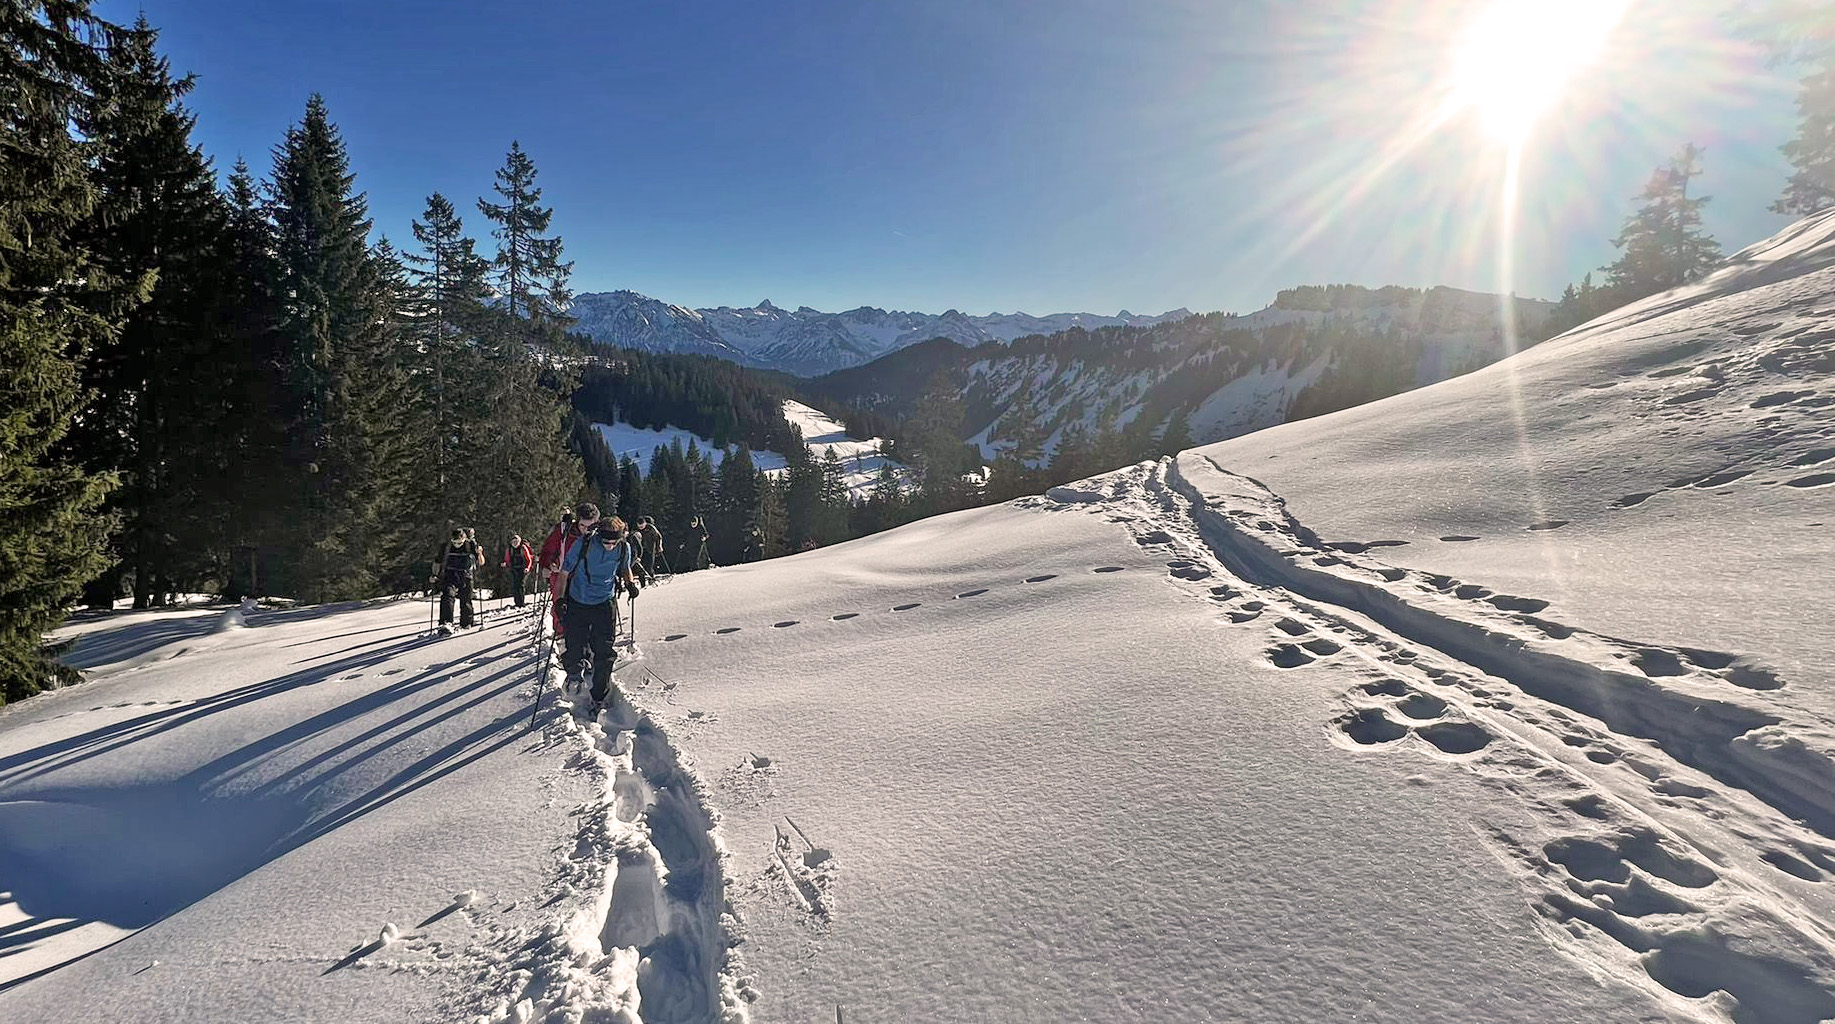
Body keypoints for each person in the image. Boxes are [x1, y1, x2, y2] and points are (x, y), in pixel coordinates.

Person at [557, 515, 640, 708]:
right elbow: (564, 572)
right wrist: (560, 600)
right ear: (599, 536)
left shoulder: (623, 548)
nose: (609, 546)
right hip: (578, 600)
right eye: (605, 542)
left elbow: (625, 567)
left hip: (604, 603)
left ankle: (599, 696)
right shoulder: (584, 543)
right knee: (574, 644)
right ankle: (574, 675)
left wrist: (630, 583)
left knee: (604, 651)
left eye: (613, 542)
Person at [539, 503, 598, 636]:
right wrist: (548, 564)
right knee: (560, 605)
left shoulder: (599, 534)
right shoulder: (564, 530)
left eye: (590, 526)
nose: (585, 530)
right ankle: (561, 633)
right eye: (582, 525)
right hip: (561, 574)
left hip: (586, 577)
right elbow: (548, 549)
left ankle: (584, 635)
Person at [431, 526, 485, 631]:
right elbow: (437, 562)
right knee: (447, 596)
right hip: (450, 574)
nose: (457, 545)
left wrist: (480, 553)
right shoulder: (446, 546)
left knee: (466, 599)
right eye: (455, 542)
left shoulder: (470, 545)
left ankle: (466, 623)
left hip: (466, 574)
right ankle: (446, 622)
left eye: (459, 542)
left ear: (464, 539)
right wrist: (434, 575)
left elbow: (481, 562)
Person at [501, 533, 534, 608]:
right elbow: (507, 559)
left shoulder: (523, 548)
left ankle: (521, 603)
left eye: (516, 541)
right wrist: (505, 564)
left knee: (521, 585)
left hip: (523, 569)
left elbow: (528, 559)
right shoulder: (509, 549)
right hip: (514, 569)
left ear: (519, 541)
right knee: (515, 585)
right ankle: (517, 603)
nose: (515, 543)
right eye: (513, 542)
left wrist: (527, 568)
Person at [634, 516, 664, 584]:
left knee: (649, 566)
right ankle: (642, 583)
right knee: (640, 567)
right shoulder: (635, 529)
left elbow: (658, 537)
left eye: (642, 526)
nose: (641, 528)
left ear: (645, 523)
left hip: (650, 549)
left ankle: (652, 579)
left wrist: (659, 546)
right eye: (639, 526)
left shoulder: (651, 528)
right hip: (640, 550)